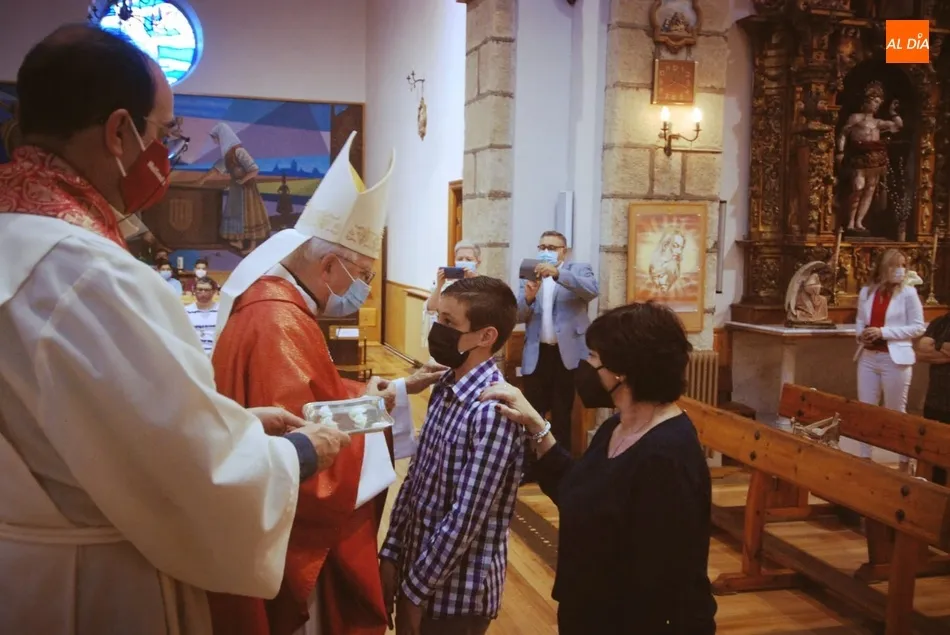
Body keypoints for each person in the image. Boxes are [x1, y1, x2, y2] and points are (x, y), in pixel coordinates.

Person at [0, 24, 349, 635]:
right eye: (163, 134)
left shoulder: (20, 236)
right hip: (93, 582)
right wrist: (298, 453)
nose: (165, 154)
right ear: (119, 132)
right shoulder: (90, 271)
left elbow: (91, 416)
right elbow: (193, 479)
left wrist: (236, 422)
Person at [210, 131, 409, 635]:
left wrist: (366, 396)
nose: (363, 288)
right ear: (328, 265)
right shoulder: (280, 321)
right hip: (291, 542)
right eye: (362, 274)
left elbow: (310, 397)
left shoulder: (273, 301)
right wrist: (379, 414)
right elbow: (305, 445)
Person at [480, 302, 718, 635]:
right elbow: (577, 489)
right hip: (588, 607)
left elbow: (665, 575)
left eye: (593, 356)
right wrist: (535, 424)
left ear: (623, 371)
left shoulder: (667, 455)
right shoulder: (617, 426)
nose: (586, 365)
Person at [380, 276, 525, 635]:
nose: (438, 330)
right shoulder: (445, 386)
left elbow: (466, 517)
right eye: (438, 318)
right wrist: (391, 553)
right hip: (416, 567)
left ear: (485, 336)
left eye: (448, 322)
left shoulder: (493, 410)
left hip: (455, 594)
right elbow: (416, 480)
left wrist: (414, 593)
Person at [516, 230, 599, 454]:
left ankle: (561, 464)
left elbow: (592, 291)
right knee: (533, 414)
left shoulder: (578, 269)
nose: (546, 251)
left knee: (562, 413)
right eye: (542, 247)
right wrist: (528, 297)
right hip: (536, 354)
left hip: (566, 356)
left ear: (565, 252)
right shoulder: (529, 272)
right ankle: (531, 462)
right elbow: (517, 316)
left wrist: (558, 274)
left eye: (552, 248)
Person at [854, 248, 925, 470]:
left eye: (904, 265)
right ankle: (865, 458)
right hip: (868, 357)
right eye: (895, 265)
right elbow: (860, 321)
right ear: (883, 267)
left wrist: (883, 332)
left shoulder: (908, 293)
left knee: (895, 411)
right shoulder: (867, 292)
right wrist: (862, 334)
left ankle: (904, 460)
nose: (900, 270)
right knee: (866, 410)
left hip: (895, 359)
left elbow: (918, 327)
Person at [422, 240, 480, 347]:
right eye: (460, 259)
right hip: (447, 336)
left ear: (478, 262)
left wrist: (474, 282)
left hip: (472, 337)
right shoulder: (447, 284)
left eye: (468, 259)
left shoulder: (484, 284)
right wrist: (439, 285)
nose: (464, 262)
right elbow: (431, 309)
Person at [916, 310, 950, 485]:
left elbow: (930, 350)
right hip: (936, 402)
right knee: (935, 455)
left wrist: (938, 347)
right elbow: (922, 352)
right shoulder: (939, 323)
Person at [186, 276, 219, 355]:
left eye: (207, 290)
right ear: (194, 291)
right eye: (200, 289)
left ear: (214, 291)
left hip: (215, 354)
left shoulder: (221, 311)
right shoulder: (186, 311)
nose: (203, 293)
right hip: (193, 354)